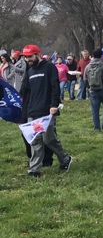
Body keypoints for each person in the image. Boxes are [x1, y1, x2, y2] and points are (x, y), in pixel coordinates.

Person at [19, 44, 72, 176]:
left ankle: (65, 159)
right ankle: (34, 169)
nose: (28, 60)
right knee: (35, 141)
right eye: (26, 57)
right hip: (33, 111)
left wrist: (54, 105)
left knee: (49, 140)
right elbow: (26, 93)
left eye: (30, 56)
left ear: (38, 54)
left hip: (47, 111)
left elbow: (55, 87)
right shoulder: (29, 72)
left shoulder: (49, 67)